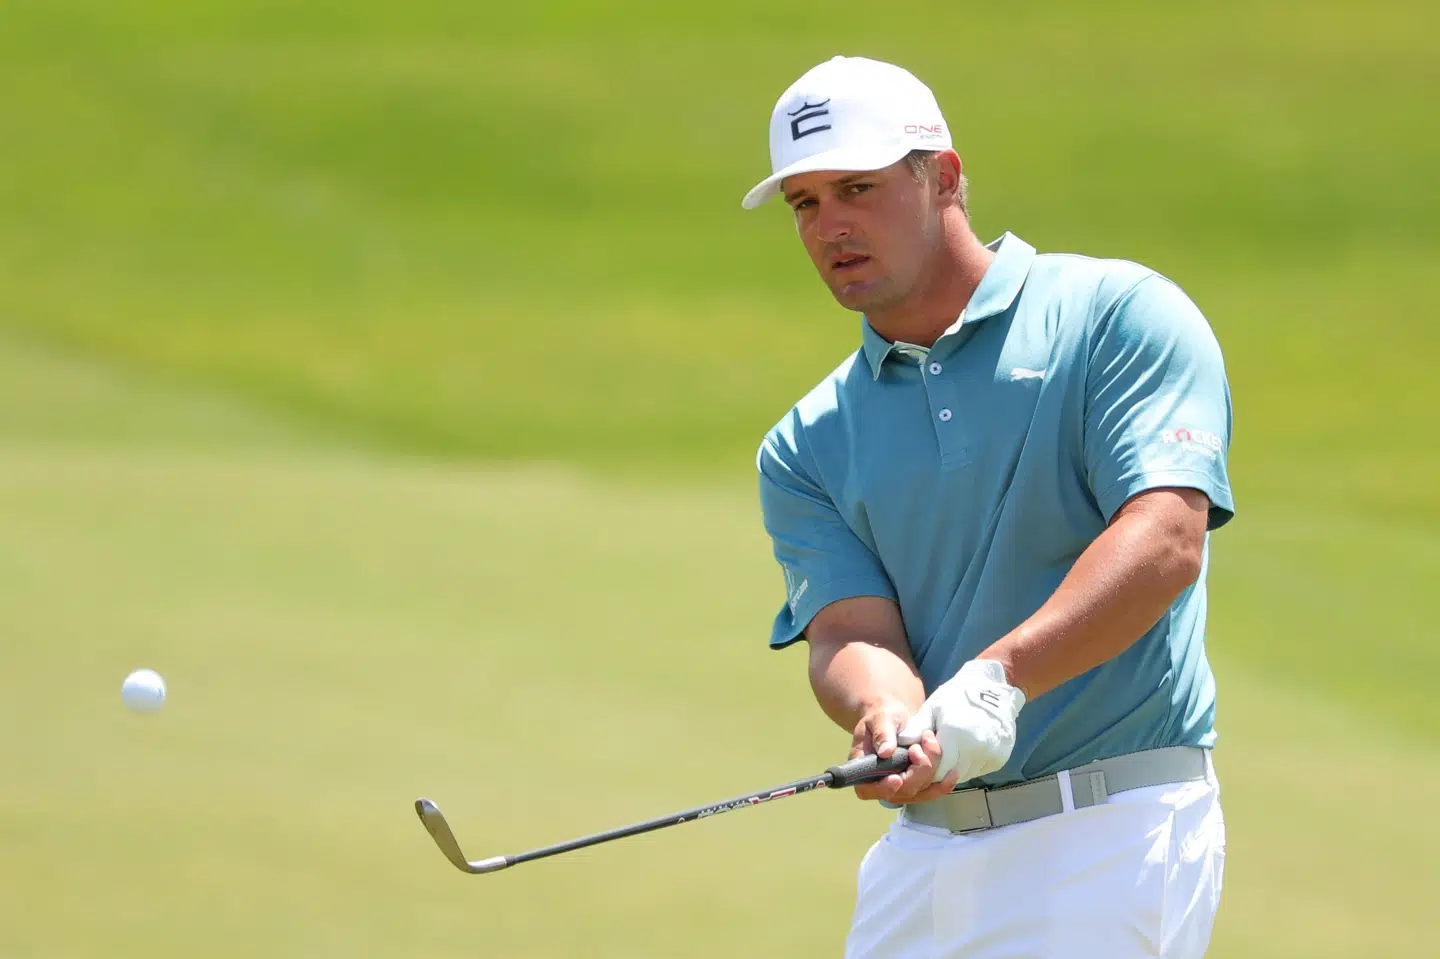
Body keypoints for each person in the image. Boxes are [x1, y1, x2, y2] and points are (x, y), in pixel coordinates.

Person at [744, 56, 1235, 958]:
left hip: (1108, 829)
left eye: (857, 188)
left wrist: (997, 680)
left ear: (944, 177)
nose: (829, 225)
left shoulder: (1116, 316)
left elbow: (1166, 538)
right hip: (923, 854)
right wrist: (888, 713)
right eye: (805, 202)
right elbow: (850, 630)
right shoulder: (806, 442)